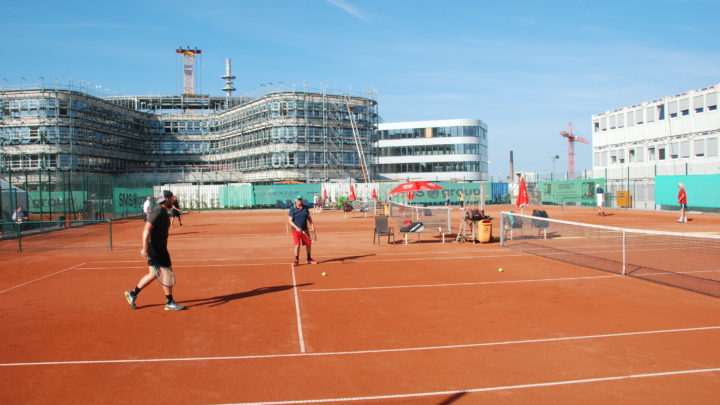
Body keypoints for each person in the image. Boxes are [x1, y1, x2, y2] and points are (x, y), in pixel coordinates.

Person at [124, 190, 185, 311]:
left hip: (156, 247)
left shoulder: (162, 211)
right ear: (167, 199)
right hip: (157, 249)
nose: (173, 200)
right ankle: (169, 302)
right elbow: (146, 230)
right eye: (172, 198)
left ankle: (132, 293)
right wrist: (145, 249)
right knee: (167, 272)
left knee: (153, 274)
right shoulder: (158, 211)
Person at [288, 194, 317, 265]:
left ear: (302, 200)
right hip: (295, 230)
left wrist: (312, 225)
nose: (299, 201)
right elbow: (290, 220)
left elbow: (309, 218)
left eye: (300, 199)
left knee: (308, 244)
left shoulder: (305, 208)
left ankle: (309, 259)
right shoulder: (292, 209)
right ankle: (296, 260)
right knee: (297, 245)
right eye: (298, 199)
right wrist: (296, 227)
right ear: (295, 200)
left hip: (305, 229)